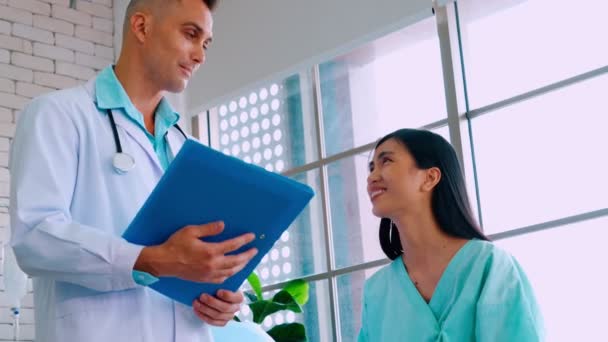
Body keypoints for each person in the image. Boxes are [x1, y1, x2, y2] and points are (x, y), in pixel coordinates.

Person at [9, 1, 260, 341]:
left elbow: (190, 259)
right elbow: (36, 236)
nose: (200, 55)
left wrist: (220, 300)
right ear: (141, 27)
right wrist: (151, 260)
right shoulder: (59, 115)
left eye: (205, 43)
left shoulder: (185, 147)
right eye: (190, 34)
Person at [358, 128, 545, 341]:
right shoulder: (376, 291)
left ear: (430, 177)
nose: (371, 177)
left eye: (386, 161)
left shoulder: (488, 266)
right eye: (371, 167)